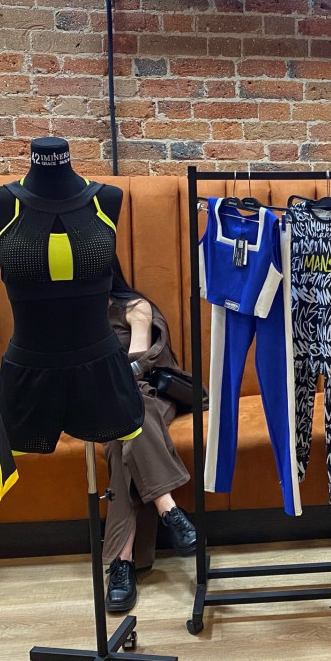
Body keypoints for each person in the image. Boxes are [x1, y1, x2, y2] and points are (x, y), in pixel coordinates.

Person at [103, 262, 197, 612]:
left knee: (128, 420)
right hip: (107, 406)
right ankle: (169, 511)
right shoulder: (75, 317)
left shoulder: (134, 307)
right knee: (121, 438)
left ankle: (122, 562)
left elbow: (138, 363)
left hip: (150, 396)